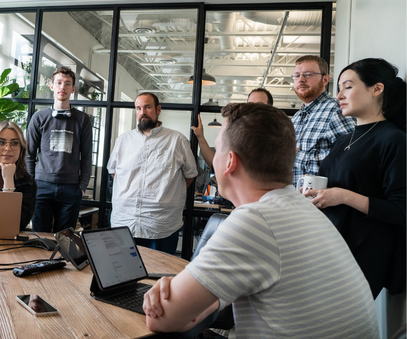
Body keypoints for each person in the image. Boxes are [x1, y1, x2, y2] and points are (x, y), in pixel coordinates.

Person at [142, 103, 378, 337]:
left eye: (218, 150)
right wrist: (195, 304)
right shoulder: (302, 210)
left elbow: (162, 319)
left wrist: (169, 300)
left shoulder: (256, 221)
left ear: (230, 162)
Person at [307, 58, 406, 298]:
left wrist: (343, 196)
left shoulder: (394, 140)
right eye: (339, 88)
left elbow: (401, 210)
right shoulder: (344, 140)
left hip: (363, 254)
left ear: (377, 89)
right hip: (330, 247)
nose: (339, 95)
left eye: (347, 87)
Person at [107, 92, 198, 255]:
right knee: (123, 274)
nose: (142, 112)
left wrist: (169, 195)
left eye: (147, 107)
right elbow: (114, 172)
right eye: (138, 108)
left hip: (161, 224)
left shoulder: (177, 140)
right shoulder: (123, 140)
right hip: (124, 221)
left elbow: (190, 174)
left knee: (158, 276)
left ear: (158, 109)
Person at [26, 66, 92, 233]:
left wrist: (82, 185)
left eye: (67, 83)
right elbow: (29, 154)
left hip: (71, 188)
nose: (63, 87)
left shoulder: (82, 120)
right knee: (41, 236)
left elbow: (86, 156)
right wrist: (32, 183)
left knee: (65, 240)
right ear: (52, 86)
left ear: (73, 89)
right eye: (59, 82)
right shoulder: (39, 118)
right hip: (41, 186)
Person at [291, 55, 355, 185]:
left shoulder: (336, 109)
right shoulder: (296, 117)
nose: (301, 79)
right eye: (297, 75)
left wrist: (295, 157)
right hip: (294, 199)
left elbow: (349, 156)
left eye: (308, 74)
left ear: (325, 79)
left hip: (323, 202)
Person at [193, 87, 274, 170]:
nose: (252, 108)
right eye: (250, 104)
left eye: (259, 105)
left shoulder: (278, 139)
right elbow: (216, 166)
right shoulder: (239, 136)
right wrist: (200, 137)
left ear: (270, 109)